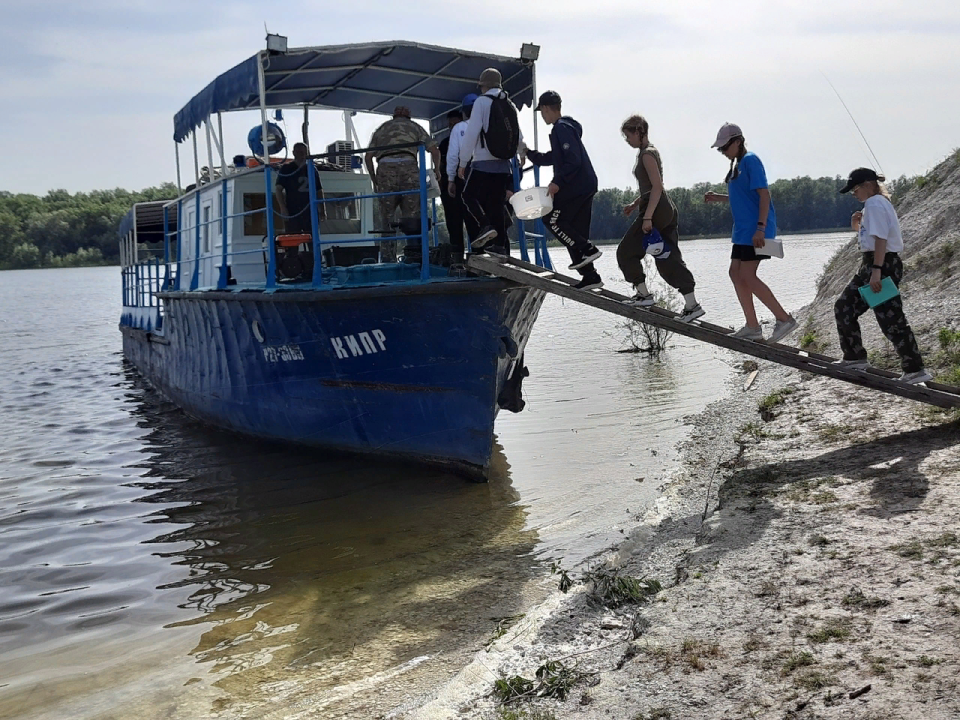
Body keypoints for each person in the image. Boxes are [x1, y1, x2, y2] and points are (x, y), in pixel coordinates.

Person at [833, 168, 932, 384]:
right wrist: (857, 226)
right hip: (874, 264)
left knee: (891, 319)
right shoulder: (875, 204)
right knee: (845, 307)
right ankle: (854, 357)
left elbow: (881, 240)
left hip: (881, 265)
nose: (854, 194)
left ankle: (915, 369)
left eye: (855, 189)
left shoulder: (875, 204)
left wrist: (876, 271)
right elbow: (873, 237)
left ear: (868, 184)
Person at [704, 123, 796, 342]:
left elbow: (764, 196)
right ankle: (753, 326)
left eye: (724, 147)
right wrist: (720, 198)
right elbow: (744, 197)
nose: (723, 152)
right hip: (743, 231)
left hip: (756, 230)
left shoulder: (751, 161)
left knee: (747, 275)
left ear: (737, 142)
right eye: (720, 149)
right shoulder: (738, 165)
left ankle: (784, 319)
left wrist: (761, 228)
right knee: (735, 273)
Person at [617, 115, 704, 321]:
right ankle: (692, 305)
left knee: (626, 252)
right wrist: (635, 204)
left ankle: (643, 295)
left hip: (656, 210)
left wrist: (647, 218)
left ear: (639, 132)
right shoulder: (648, 152)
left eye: (628, 136)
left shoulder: (647, 154)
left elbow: (657, 187)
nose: (627, 140)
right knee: (667, 258)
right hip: (661, 208)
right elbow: (651, 188)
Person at [522, 91, 603, 291]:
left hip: (577, 186)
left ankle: (588, 248)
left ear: (547, 109)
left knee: (551, 219)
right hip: (585, 185)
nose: (542, 116)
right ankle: (591, 276)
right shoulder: (566, 129)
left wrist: (557, 181)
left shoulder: (561, 128)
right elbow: (553, 158)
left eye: (542, 111)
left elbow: (573, 159)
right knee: (574, 231)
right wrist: (528, 153)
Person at [364, 106, 441, 262]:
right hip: (409, 170)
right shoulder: (415, 127)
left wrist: (374, 180)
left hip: (385, 171)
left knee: (387, 219)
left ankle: (387, 259)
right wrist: (436, 171)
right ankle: (413, 256)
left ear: (393, 116)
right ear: (409, 116)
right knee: (412, 218)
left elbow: (368, 157)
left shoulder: (382, 129)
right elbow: (435, 151)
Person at [458, 68, 520, 256]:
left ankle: (485, 225)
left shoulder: (482, 102)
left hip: (483, 162)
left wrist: (463, 162)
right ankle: (500, 246)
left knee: (468, 195)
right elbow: (518, 133)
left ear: (484, 86)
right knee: (496, 205)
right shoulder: (509, 103)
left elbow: (471, 133)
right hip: (503, 165)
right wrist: (521, 153)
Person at [441, 96, 480, 262]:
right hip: (455, 185)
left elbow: (451, 158)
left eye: (453, 123)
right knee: (454, 221)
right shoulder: (443, 143)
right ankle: (458, 256)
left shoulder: (460, 131)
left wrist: (451, 178)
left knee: (473, 219)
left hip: (461, 180)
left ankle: (478, 254)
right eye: (449, 125)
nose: (452, 127)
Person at [274, 142, 324, 234]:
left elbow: (319, 191)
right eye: (300, 152)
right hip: (292, 211)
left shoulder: (312, 169)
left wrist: (323, 209)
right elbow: (278, 189)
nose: (303, 155)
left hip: (310, 212)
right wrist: (283, 208)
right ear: (294, 153)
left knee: (312, 241)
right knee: (292, 242)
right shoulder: (287, 168)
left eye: (305, 152)